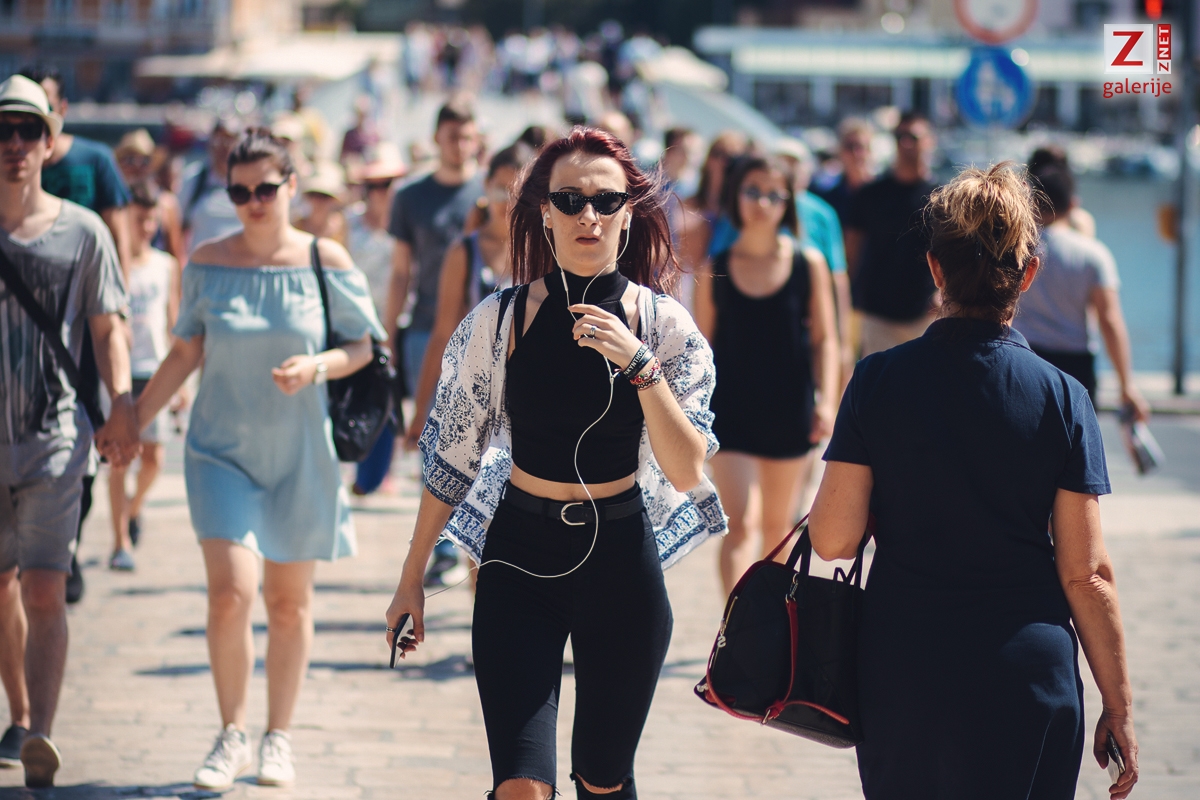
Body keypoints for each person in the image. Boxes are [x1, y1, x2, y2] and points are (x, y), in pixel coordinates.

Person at [384, 127, 725, 800]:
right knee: (520, 786)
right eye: (569, 200)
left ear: (629, 211)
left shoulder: (663, 327)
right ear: (545, 213)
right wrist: (410, 578)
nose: (587, 215)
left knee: (603, 782)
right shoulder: (500, 320)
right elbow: (451, 461)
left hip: (621, 564)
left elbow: (687, 470)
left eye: (605, 200)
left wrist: (640, 366)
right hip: (518, 558)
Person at [809, 164, 1139, 800]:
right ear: (1028, 274)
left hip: (904, 669)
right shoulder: (1064, 398)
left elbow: (832, 540)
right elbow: (1086, 574)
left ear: (934, 269)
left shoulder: (876, 381)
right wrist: (1118, 704)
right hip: (1027, 675)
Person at [128, 129, 384, 790]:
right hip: (220, 451)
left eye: (266, 188)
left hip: (300, 454)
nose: (253, 202)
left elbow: (363, 346)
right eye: (239, 192)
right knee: (231, 592)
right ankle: (231, 734)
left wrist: (317, 365)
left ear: (291, 185)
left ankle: (279, 737)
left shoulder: (325, 258)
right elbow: (185, 351)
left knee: (289, 604)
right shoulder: (208, 260)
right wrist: (132, 419)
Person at [0, 74, 136, 787]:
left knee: (45, 589)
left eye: (29, 130)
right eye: (3, 131)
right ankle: (20, 713)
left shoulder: (84, 232)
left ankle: (41, 735)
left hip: (54, 437)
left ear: (50, 143)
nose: (14, 143)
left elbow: (109, 326)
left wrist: (123, 405)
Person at [693, 156, 839, 594]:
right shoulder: (714, 267)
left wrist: (827, 402)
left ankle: (770, 626)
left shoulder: (808, 263)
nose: (762, 203)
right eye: (752, 191)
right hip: (731, 410)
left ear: (788, 202)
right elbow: (702, 350)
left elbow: (826, 340)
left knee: (778, 528)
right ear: (736, 196)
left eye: (774, 194)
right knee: (740, 524)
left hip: (790, 407)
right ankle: (735, 624)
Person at [21, 66, 134, 604]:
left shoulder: (95, 160)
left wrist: (120, 311)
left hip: (86, 324)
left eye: (37, 116)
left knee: (82, 433)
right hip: (27, 333)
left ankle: (65, 545)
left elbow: (119, 233)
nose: (19, 139)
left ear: (59, 113)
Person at [385, 97, 482, 580]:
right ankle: (442, 544)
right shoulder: (411, 196)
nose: (459, 145)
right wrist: (388, 331)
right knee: (434, 437)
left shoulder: (491, 192)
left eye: (467, 136)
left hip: (483, 331)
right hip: (425, 328)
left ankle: (468, 537)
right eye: (451, 136)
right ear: (437, 138)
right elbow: (401, 270)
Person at [404, 143, 529, 451]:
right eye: (500, 190)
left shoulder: (541, 251)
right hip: (473, 397)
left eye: (516, 192)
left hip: (527, 399)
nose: (507, 201)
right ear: (485, 187)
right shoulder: (464, 251)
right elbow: (443, 333)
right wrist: (420, 412)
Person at [1015, 163, 1150, 419]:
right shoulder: (1093, 254)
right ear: (1073, 204)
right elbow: (1109, 320)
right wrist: (1126, 385)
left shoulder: (1018, 250)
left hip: (1025, 355)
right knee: (1076, 437)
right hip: (1075, 363)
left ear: (1033, 203)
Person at [106, 180, 183, 572]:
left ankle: (133, 509)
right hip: (120, 372)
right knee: (119, 458)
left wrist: (181, 381)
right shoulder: (112, 265)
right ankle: (120, 541)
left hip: (156, 370)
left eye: (154, 220)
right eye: (140, 219)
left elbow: (173, 319)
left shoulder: (165, 265)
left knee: (153, 458)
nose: (148, 227)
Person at [843, 112, 939, 356]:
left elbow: (954, 253)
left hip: (926, 315)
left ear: (929, 141)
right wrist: (848, 300)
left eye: (913, 137)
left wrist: (944, 294)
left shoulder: (942, 197)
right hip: (877, 315)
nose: (905, 144)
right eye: (899, 136)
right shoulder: (870, 195)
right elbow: (851, 251)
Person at [114, 128, 186, 265]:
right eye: (130, 159)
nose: (137, 166)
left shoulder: (166, 203)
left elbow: (176, 253)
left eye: (144, 160)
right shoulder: (112, 200)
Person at [180, 117, 243, 252]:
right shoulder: (193, 178)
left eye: (230, 140)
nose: (225, 146)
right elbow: (177, 227)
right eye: (219, 139)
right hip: (201, 262)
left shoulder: (251, 181)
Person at [812, 116, 875, 227]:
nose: (856, 153)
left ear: (870, 151)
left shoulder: (883, 194)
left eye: (860, 146)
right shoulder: (828, 197)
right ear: (840, 151)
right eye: (850, 146)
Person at [295, 161, 348, 245]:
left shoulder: (343, 229)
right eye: (313, 194)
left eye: (324, 196)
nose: (317, 201)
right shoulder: (296, 226)